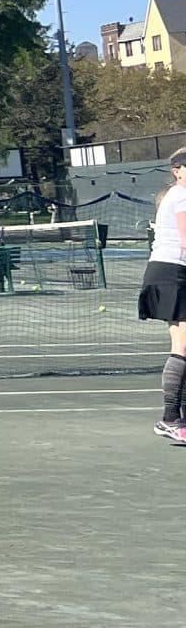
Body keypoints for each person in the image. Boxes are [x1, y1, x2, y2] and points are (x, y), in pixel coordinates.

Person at [148, 150, 186, 442]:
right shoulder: (182, 194)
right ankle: (170, 419)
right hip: (172, 272)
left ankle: (178, 419)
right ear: (177, 170)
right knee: (182, 346)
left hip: (169, 271)